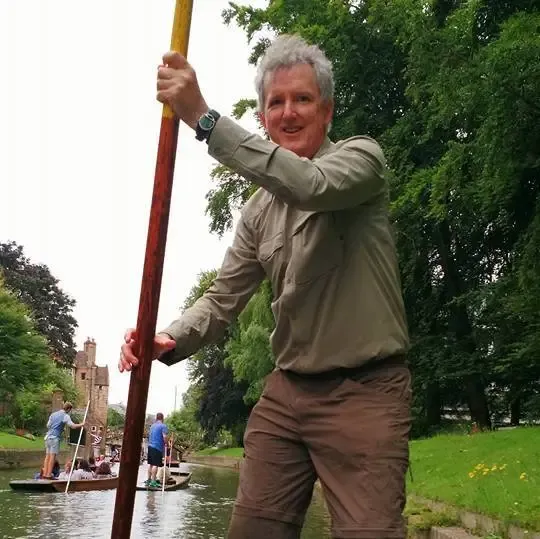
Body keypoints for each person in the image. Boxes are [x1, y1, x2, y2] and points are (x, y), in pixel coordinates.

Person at [119, 34, 410, 539]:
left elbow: (309, 185)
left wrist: (204, 120)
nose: (288, 112)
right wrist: (167, 338)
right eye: (276, 102)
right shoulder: (257, 213)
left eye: (302, 99)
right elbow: (221, 298)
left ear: (328, 111)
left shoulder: (363, 161)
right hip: (288, 395)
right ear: (263, 117)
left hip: (366, 392)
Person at [42, 402, 84, 479]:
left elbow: (48, 425)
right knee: (52, 457)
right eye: (70, 410)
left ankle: (44, 474)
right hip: (55, 438)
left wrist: (58, 427)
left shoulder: (53, 414)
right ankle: (48, 475)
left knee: (47, 456)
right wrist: (81, 424)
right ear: (69, 409)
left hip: (47, 437)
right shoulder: (65, 416)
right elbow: (73, 426)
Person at [145, 413, 168, 488]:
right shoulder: (163, 426)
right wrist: (166, 443)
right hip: (157, 447)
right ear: (162, 418)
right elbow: (164, 436)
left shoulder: (152, 426)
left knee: (151, 464)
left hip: (150, 446)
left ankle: (148, 480)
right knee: (155, 464)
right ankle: (153, 481)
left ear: (156, 418)